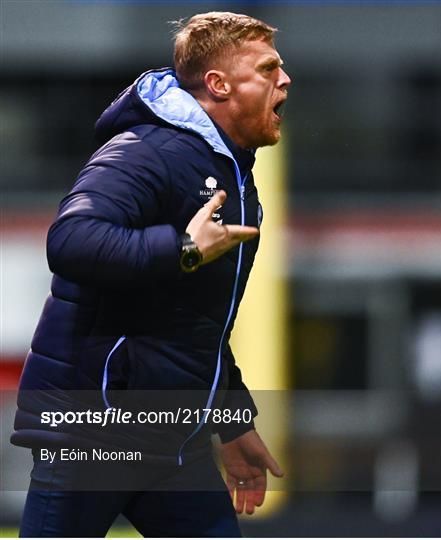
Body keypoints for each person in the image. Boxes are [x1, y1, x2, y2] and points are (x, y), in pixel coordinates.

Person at [12, 11, 291, 537]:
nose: (285, 79)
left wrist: (232, 420)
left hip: (169, 439)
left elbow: (196, 321)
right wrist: (183, 248)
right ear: (219, 84)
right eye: (268, 67)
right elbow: (70, 240)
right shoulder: (146, 151)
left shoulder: (233, 173)